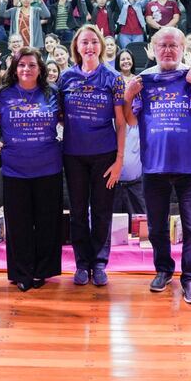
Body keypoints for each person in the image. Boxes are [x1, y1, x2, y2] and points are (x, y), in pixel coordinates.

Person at [123, 27, 191, 304]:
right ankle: (164, 270)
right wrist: (128, 95)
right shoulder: (144, 80)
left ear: (183, 49)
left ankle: (190, 278)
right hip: (153, 166)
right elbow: (130, 121)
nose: (167, 50)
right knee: (155, 226)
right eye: (162, 45)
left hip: (187, 166)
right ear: (153, 48)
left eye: (173, 46)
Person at [0, 47, 62, 291]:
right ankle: (21, 273)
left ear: (40, 69)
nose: (26, 69)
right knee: (18, 224)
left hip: (49, 167)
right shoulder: (3, 95)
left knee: (46, 223)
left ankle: (42, 270)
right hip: (15, 169)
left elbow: (66, 121)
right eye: (21, 65)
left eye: (32, 65)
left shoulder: (52, 92)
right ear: (14, 68)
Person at [59, 25, 126, 286]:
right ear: (76, 46)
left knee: (101, 210)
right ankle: (81, 263)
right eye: (84, 42)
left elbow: (121, 123)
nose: (89, 47)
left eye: (93, 42)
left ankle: (99, 262)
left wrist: (120, 159)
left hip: (105, 155)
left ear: (101, 46)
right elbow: (61, 116)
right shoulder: (66, 78)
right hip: (73, 155)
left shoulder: (113, 78)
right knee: (77, 211)